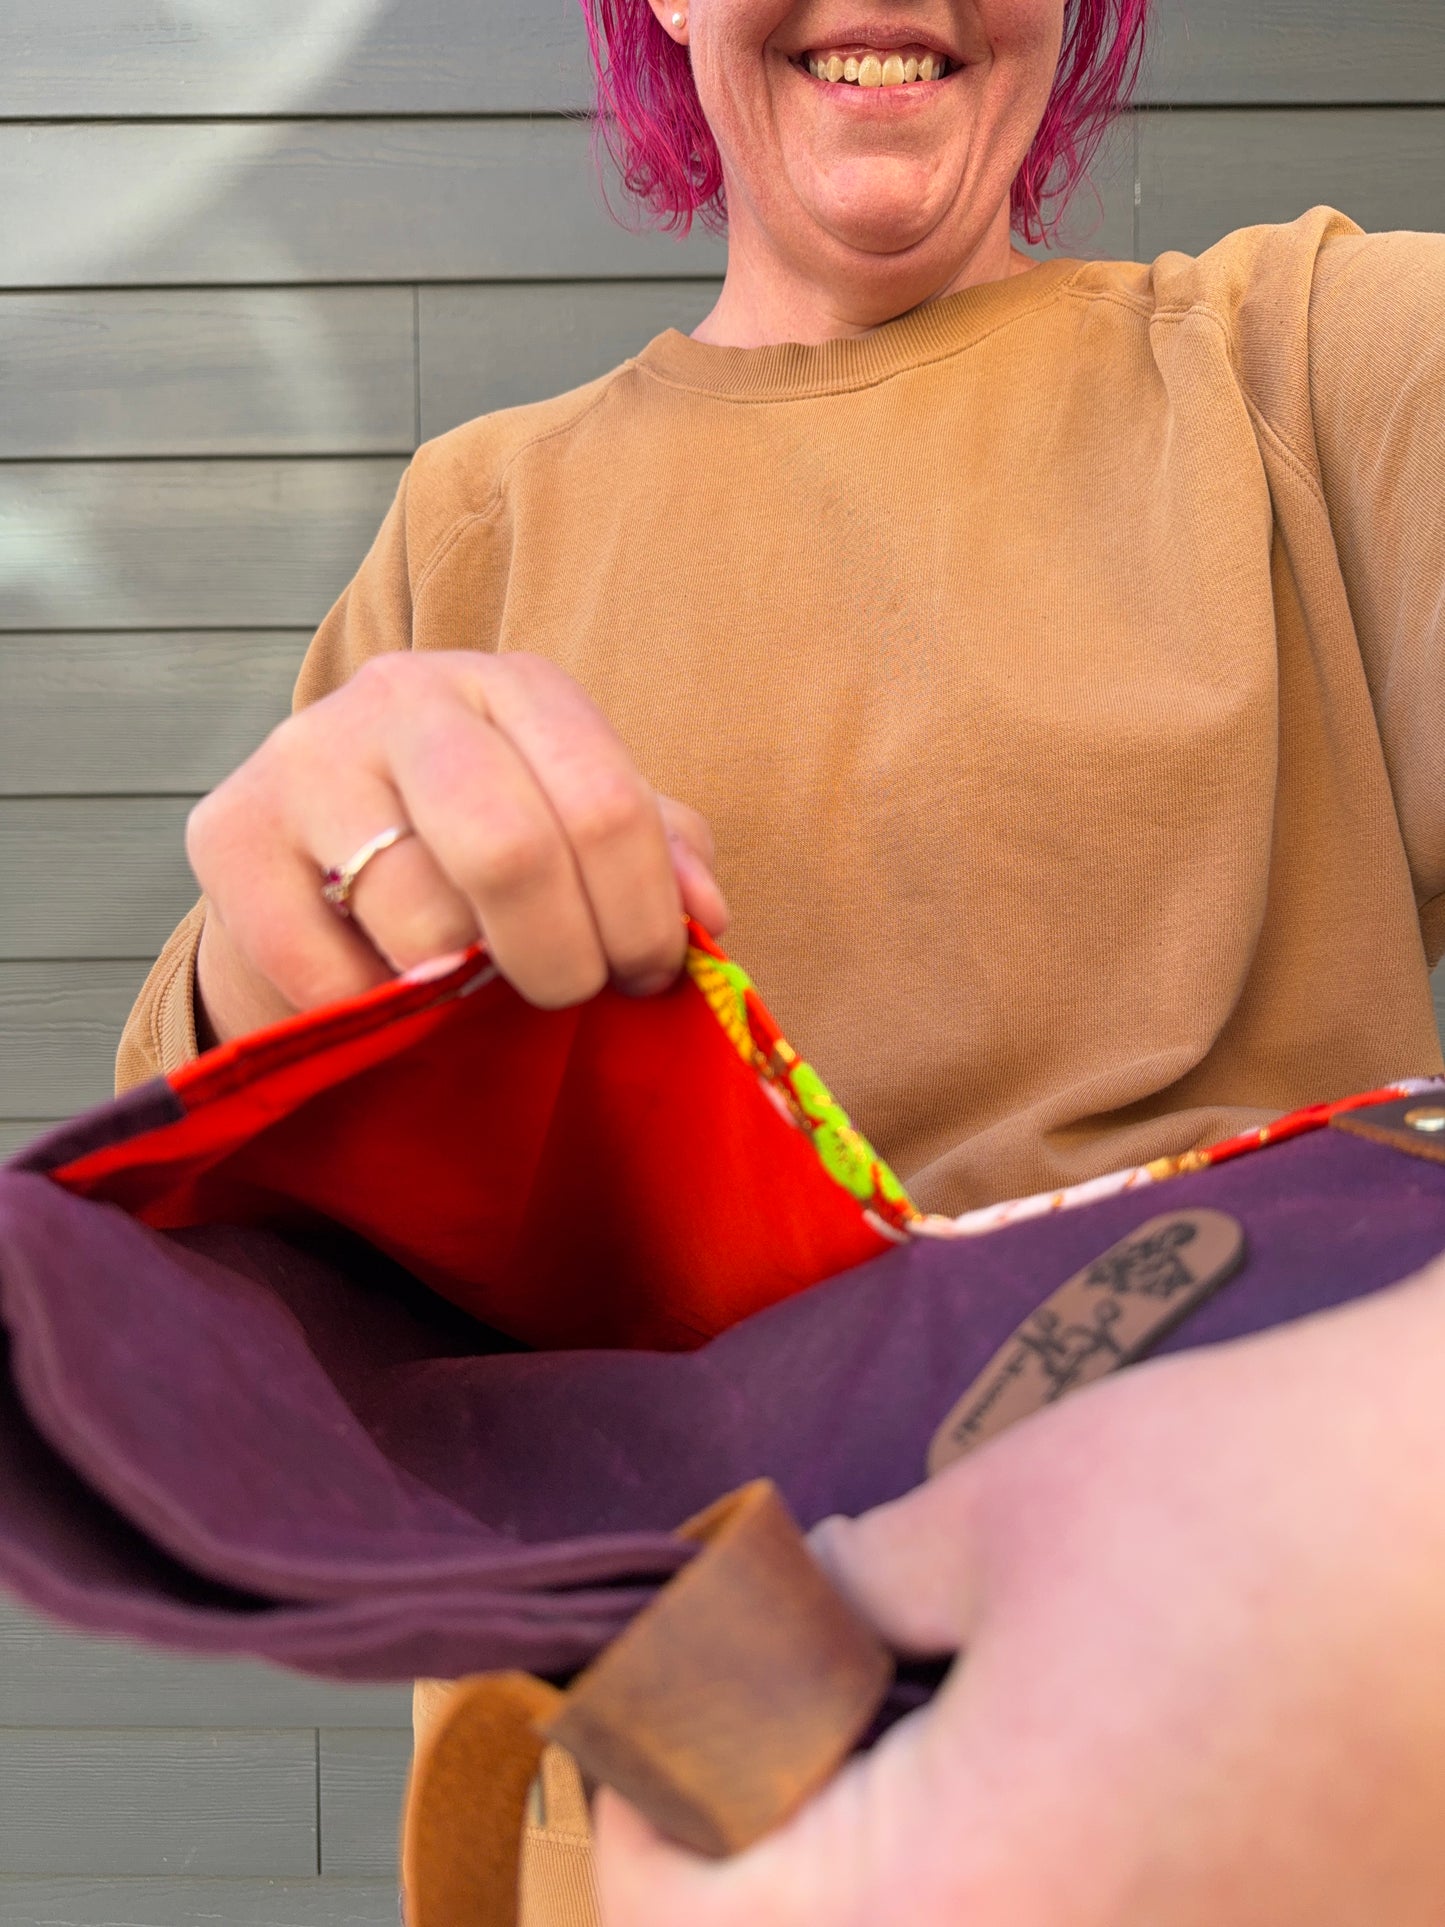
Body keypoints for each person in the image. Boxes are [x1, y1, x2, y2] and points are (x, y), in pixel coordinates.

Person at [115, 0, 1445, 1918]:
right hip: (647, 1805)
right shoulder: (475, 526)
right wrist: (287, 958)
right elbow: (187, 1236)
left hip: (1245, 1779)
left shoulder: (1310, 373)